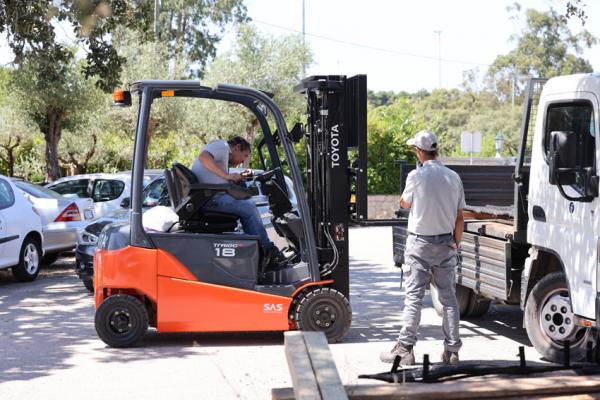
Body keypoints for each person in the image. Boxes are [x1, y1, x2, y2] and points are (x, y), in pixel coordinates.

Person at [380, 130, 465, 366]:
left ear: (419, 151)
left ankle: (405, 350)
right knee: (448, 299)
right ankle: (452, 351)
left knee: (414, 297)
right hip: (446, 243)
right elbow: (460, 217)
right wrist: (456, 243)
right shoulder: (453, 177)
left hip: (420, 245)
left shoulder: (416, 176)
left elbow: (405, 203)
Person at [191, 136, 285, 268]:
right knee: (249, 207)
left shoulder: (222, 158)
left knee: (247, 204)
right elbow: (203, 157)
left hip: (209, 197)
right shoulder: (222, 146)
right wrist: (227, 176)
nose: (243, 161)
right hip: (209, 199)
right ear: (237, 147)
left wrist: (237, 177)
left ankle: (259, 252)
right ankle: (267, 251)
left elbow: (217, 177)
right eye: (244, 155)